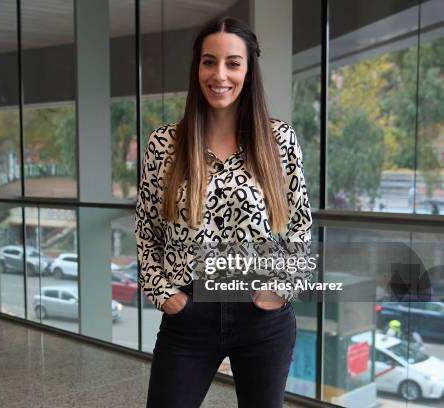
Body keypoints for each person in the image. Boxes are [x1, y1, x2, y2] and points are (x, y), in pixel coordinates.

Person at [135, 17, 313, 408]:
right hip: (188, 314)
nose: (220, 74)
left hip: (262, 314)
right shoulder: (164, 144)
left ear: (248, 72)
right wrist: (163, 293)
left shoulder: (278, 140)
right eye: (209, 61)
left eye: (233, 63)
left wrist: (280, 290)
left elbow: (299, 226)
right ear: (197, 68)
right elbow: (147, 230)